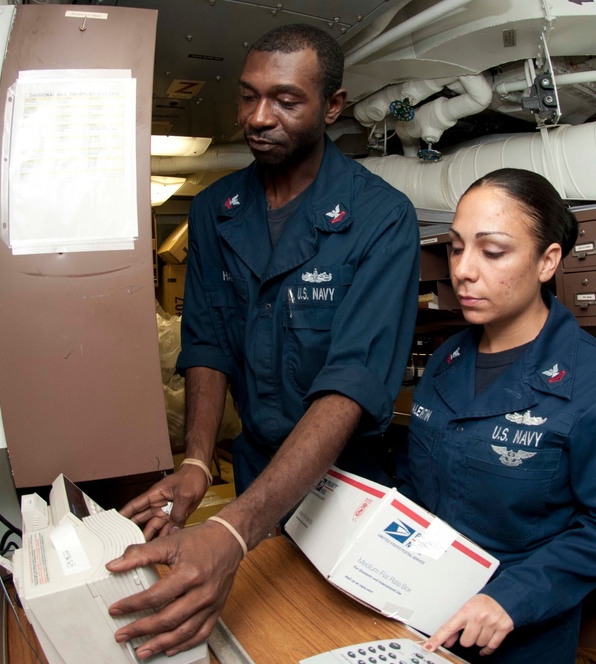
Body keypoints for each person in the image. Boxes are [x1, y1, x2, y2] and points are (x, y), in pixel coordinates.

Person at [105, 23, 420, 659]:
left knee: (336, 642)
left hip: (346, 484)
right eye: (248, 96)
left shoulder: (381, 217)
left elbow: (351, 385)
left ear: (332, 106)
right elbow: (208, 342)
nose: (258, 117)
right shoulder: (216, 209)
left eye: (285, 100)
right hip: (253, 470)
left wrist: (233, 528)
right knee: (253, 638)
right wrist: (197, 459)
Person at [398, 168, 596, 662]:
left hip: (522, 636)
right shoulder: (446, 361)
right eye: (455, 247)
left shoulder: (595, 383)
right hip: (424, 614)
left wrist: (509, 599)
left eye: (492, 251)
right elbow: (417, 484)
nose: (463, 270)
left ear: (547, 261)